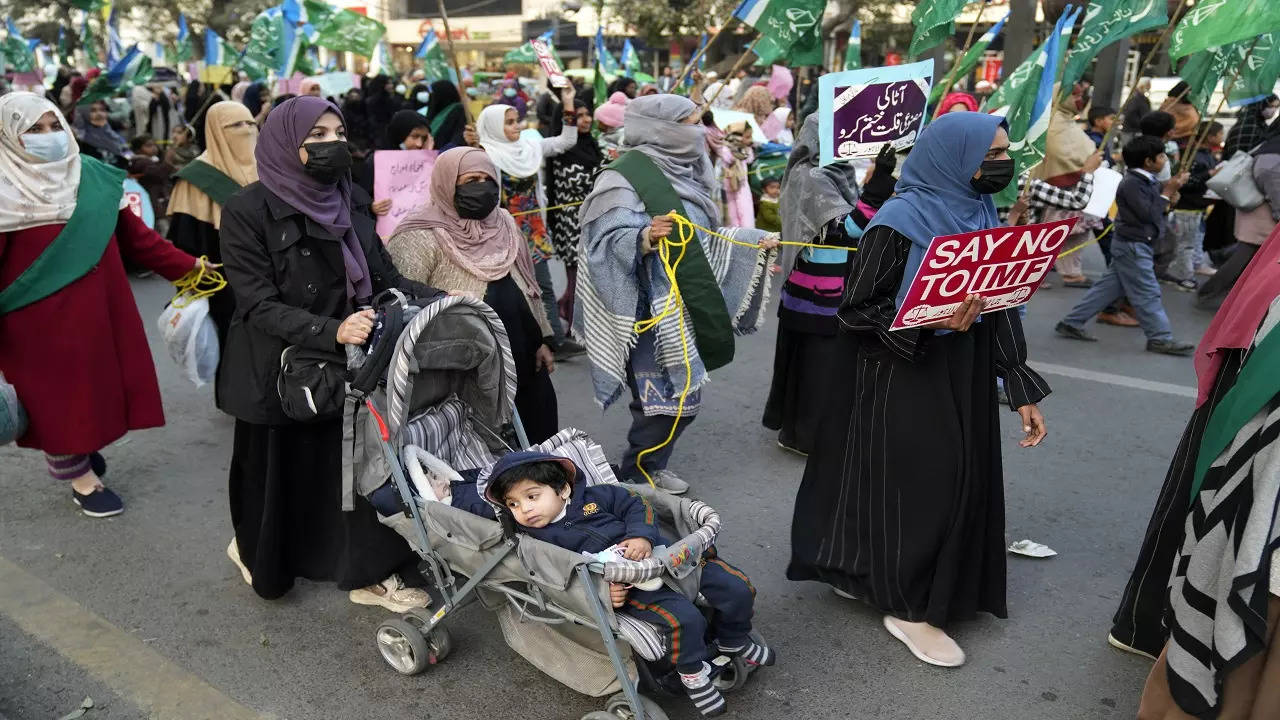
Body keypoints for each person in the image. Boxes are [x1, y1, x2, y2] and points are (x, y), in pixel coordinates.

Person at [786, 113, 1049, 668]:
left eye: (1003, 152)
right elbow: (856, 308)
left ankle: (888, 577)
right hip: (901, 370)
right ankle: (908, 607)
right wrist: (927, 321)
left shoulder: (981, 210)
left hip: (966, 367)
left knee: (963, 478)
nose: (1000, 164)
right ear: (954, 158)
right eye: (990, 154)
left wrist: (1020, 385)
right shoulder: (898, 220)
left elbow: (998, 302)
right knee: (923, 486)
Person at [216, 96, 440, 607]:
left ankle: (366, 573)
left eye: (338, 134)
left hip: (353, 361)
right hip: (280, 369)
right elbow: (256, 303)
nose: (332, 144)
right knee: (280, 478)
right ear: (283, 142)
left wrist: (446, 301)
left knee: (352, 471)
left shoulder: (350, 197)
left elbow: (387, 278)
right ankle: (259, 553)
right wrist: (330, 329)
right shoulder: (247, 211)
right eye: (316, 135)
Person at [0, 92, 204, 518]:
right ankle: (79, 477)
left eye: (54, 125)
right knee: (56, 402)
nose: (49, 137)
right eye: (33, 130)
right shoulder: (3, 189)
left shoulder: (91, 175)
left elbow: (140, 241)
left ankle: (79, 448)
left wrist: (197, 272)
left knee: (92, 392)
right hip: (35, 324)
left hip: (100, 313)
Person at [458, 451, 776, 717]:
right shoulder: (535, 539)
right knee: (683, 619)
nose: (524, 509)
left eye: (532, 497)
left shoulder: (599, 497)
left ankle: (734, 639)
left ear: (563, 490)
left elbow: (638, 505)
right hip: (630, 584)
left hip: (667, 557)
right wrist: (601, 591)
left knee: (738, 587)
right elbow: (558, 576)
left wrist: (640, 535)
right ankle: (692, 672)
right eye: (513, 504)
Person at [578, 94, 779, 494]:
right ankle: (639, 470)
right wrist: (642, 236)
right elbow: (599, 242)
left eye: (699, 122)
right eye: (689, 122)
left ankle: (651, 465)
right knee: (657, 400)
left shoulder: (691, 171)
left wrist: (752, 241)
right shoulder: (620, 177)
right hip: (646, 308)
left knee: (684, 397)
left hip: (683, 301)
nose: (699, 132)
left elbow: (703, 234)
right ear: (662, 129)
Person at [1110, 222, 1280, 667]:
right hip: (1255, 373)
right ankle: (1150, 625)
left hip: (1253, 362)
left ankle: (1157, 625)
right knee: (1208, 491)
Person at [387, 147, 559, 444]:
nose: (480, 187)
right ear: (447, 183)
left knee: (540, 440)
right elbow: (405, 304)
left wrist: (541, 338)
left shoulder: (503, 222)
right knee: (490, 451)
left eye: (486, 178)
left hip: (524, 358)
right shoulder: (418, 234)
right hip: (464, 370)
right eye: (469, 180)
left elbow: (527, 284)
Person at [762, 120, 891, 455]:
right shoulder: (814, 176)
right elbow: (851, 229)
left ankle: (797, 432)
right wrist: (878, 184)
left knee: (811, 369)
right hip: (817, 293)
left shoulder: (835, 172)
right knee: (817, 372)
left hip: (821, 289)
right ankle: (805, 438)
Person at [1055, 137, 1197, 355]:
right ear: (1148, 161)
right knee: (1148, 292)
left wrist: (1171, 190)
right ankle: (1160, 337)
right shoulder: (1131, 183)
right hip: (1133, 245)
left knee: (1106, 289)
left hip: (1134, 244)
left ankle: (1071, 322)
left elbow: (1156, 205)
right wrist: (1167, 193)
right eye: (1161, 156)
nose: (1164, 160)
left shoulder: (1146, 180)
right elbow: (1147, 214)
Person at [475, 89, 586, 360]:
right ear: (493, 127)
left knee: (543, 287)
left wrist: (568, 102)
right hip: (500, 233)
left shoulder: (530, 145)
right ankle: (515, 345)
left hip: (533, 231)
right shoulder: (484, 154)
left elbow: (565, 141)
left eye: (517, 121)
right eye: (509, 123)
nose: (517, 127)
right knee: (510, 291)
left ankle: (555, 341)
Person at [167, 101, 259, 360]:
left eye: (251, 124)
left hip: (273, 281)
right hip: (225, 286)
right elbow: (185, 241)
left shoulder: (268, 167)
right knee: (236, 357)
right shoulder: (197, 177)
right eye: (236, 125)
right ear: (216, 130)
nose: (247, 131)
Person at [1198, 134, 1280, 310]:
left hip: (1258, 209)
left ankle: (1218, 291)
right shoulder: (1273, 158)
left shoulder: (1270, 143)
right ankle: (1210, 292)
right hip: (1263, 212)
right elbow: (1274, 186)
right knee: (1246, 255)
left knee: (1247, 254)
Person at [545, 99, 603, 337]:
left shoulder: (593, 145)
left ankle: (569, 312)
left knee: (589, 276)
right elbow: (576, 184)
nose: (587, 119)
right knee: (578, 276)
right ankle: (574, 325)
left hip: (595, 217)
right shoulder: (562, 151)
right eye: (579, 116)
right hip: (572, 222)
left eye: (588, 114)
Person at [1165, 121, 1223, 288]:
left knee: (1195, 240)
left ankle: (1194, 267)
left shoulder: (1207, 154)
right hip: (1187, 207)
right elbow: (1186, 183)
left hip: (1199, 207)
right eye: (1219, 134)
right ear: (1210, 137)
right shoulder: (1192, 155)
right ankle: (1184, 277)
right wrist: (1210, 174)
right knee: (1185, 244)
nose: (1222, 137)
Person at [354, 109, 433, 205]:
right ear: (399, 134)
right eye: (414, 136)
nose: (419, 144)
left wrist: (428, 156)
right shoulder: (376, 162)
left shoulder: (426, 161)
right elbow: (360, 200)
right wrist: (372, 207)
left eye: (424, 138)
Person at [717, 121, 755, 228]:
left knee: (745, 211)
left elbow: (750, 159)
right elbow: (727, 160)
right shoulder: (725, 149)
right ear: (736, 136)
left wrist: (746, 148)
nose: (750, 139)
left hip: (742, 186)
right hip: (729, 187)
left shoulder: (744, 150)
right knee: (732, 214)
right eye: (747, 137)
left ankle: (747, 234)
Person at [74, 99, 129, 168]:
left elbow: (127, 154)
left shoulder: (112, 133)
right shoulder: (79, 140)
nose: (99, 114)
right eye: (93, 111)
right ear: (84, 113)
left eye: (102, 110)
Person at [425, 80, 468, 151]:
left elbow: (459, 139)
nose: (431, 97)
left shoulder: (459, 111)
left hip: (448, 156)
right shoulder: (437, 112)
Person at [594, 91, 628, 161]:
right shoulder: (607, 134)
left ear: (608, 123)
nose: (597, 124)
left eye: (600, 121)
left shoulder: (622, 136)